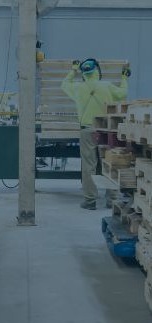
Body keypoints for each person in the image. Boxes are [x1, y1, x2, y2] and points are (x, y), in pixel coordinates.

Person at [61, 58, 129, 210]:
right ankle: (112, 199)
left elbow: (64, 84)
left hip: (87, 131)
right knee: (109, 163)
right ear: (97, 71)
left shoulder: (78, 88)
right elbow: (123, 93)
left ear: (84, 73)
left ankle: (90, 201)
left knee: (88, 166)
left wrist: (73, 70)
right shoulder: (107, 86)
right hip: (106, 130)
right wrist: (124, 77)